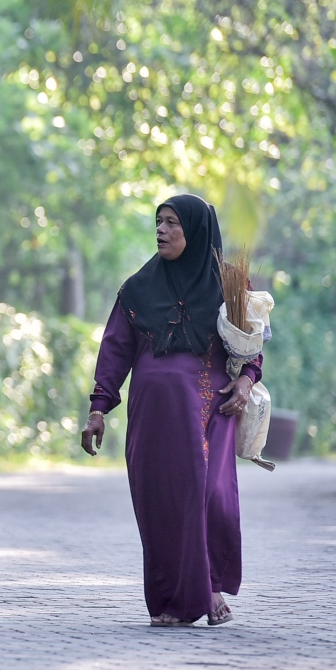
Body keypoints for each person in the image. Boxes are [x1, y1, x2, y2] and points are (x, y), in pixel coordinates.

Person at [81, 194, 256, 627]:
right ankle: (172, 602)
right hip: (153, 416)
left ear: (195, 230)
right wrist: (98, 409)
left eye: (173, 223)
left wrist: (246, 382)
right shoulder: (138, 287)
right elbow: (115, 349)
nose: (161, 230)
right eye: (158, 221)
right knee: (161, 501)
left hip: (209, 410)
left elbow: (252, 349)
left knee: (210, 497)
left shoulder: (230, 285)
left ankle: (209, 586)